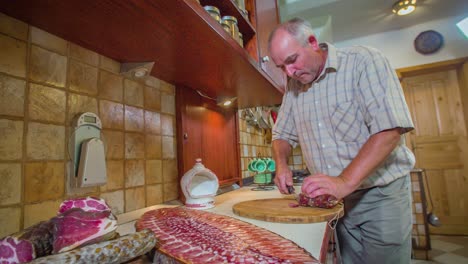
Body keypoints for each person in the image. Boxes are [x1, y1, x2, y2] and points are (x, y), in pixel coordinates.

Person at [268, 18, 415, 264]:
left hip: (380, 195)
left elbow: (389, 130)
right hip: (337, 200)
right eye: (281, 67)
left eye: (292, 60)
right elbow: (281, 134)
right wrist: (281, 164)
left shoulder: (363, 61)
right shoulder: (294, 87)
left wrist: (344, 181)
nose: (289, 72)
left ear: (313, 42)